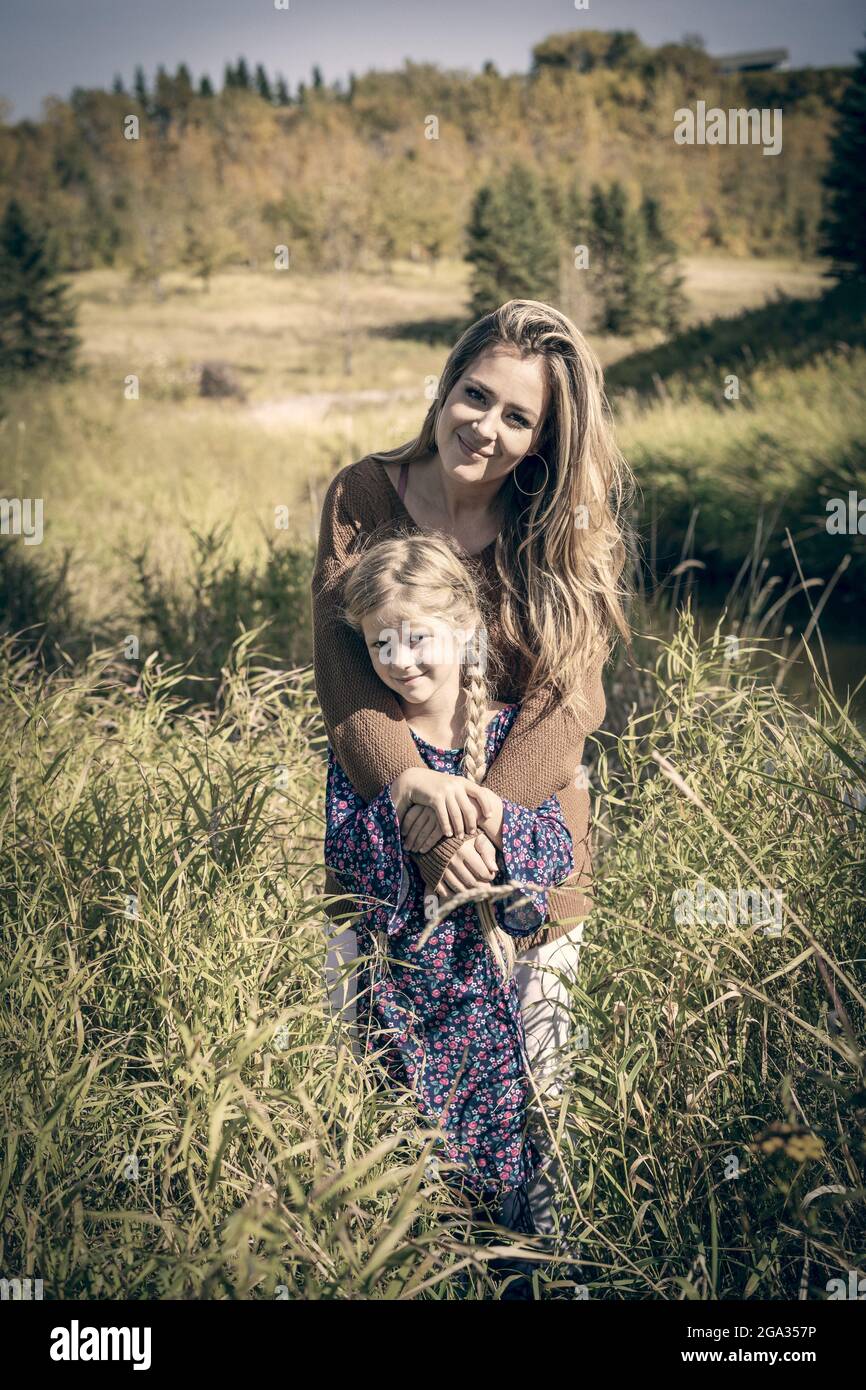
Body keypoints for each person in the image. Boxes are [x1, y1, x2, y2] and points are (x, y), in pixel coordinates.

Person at [312, 297, 633, 1238]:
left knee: (541, 1107)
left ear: (543, 440)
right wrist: (412, 791)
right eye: (474, 394)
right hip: (382, 850)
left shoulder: (559, 525)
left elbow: (570, 704)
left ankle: (548, 1278)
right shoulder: (363, 497)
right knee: (384, 1111)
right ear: (445, 386)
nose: (484, 427)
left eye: (517, 416)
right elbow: (343, 674)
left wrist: (472, 825)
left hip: (526, 862)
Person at [324, 531, 575, 1218]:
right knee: (409, 1177)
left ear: (465, 632)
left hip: (494, 995)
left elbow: (557, 856)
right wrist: (412, 817)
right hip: (402, 998)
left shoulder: (506, 736)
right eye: (381, 645)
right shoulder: (375, 743)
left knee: (519, 1171)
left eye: (416, 638)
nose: (400, 662)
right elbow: (345, 857)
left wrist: (492, 817)